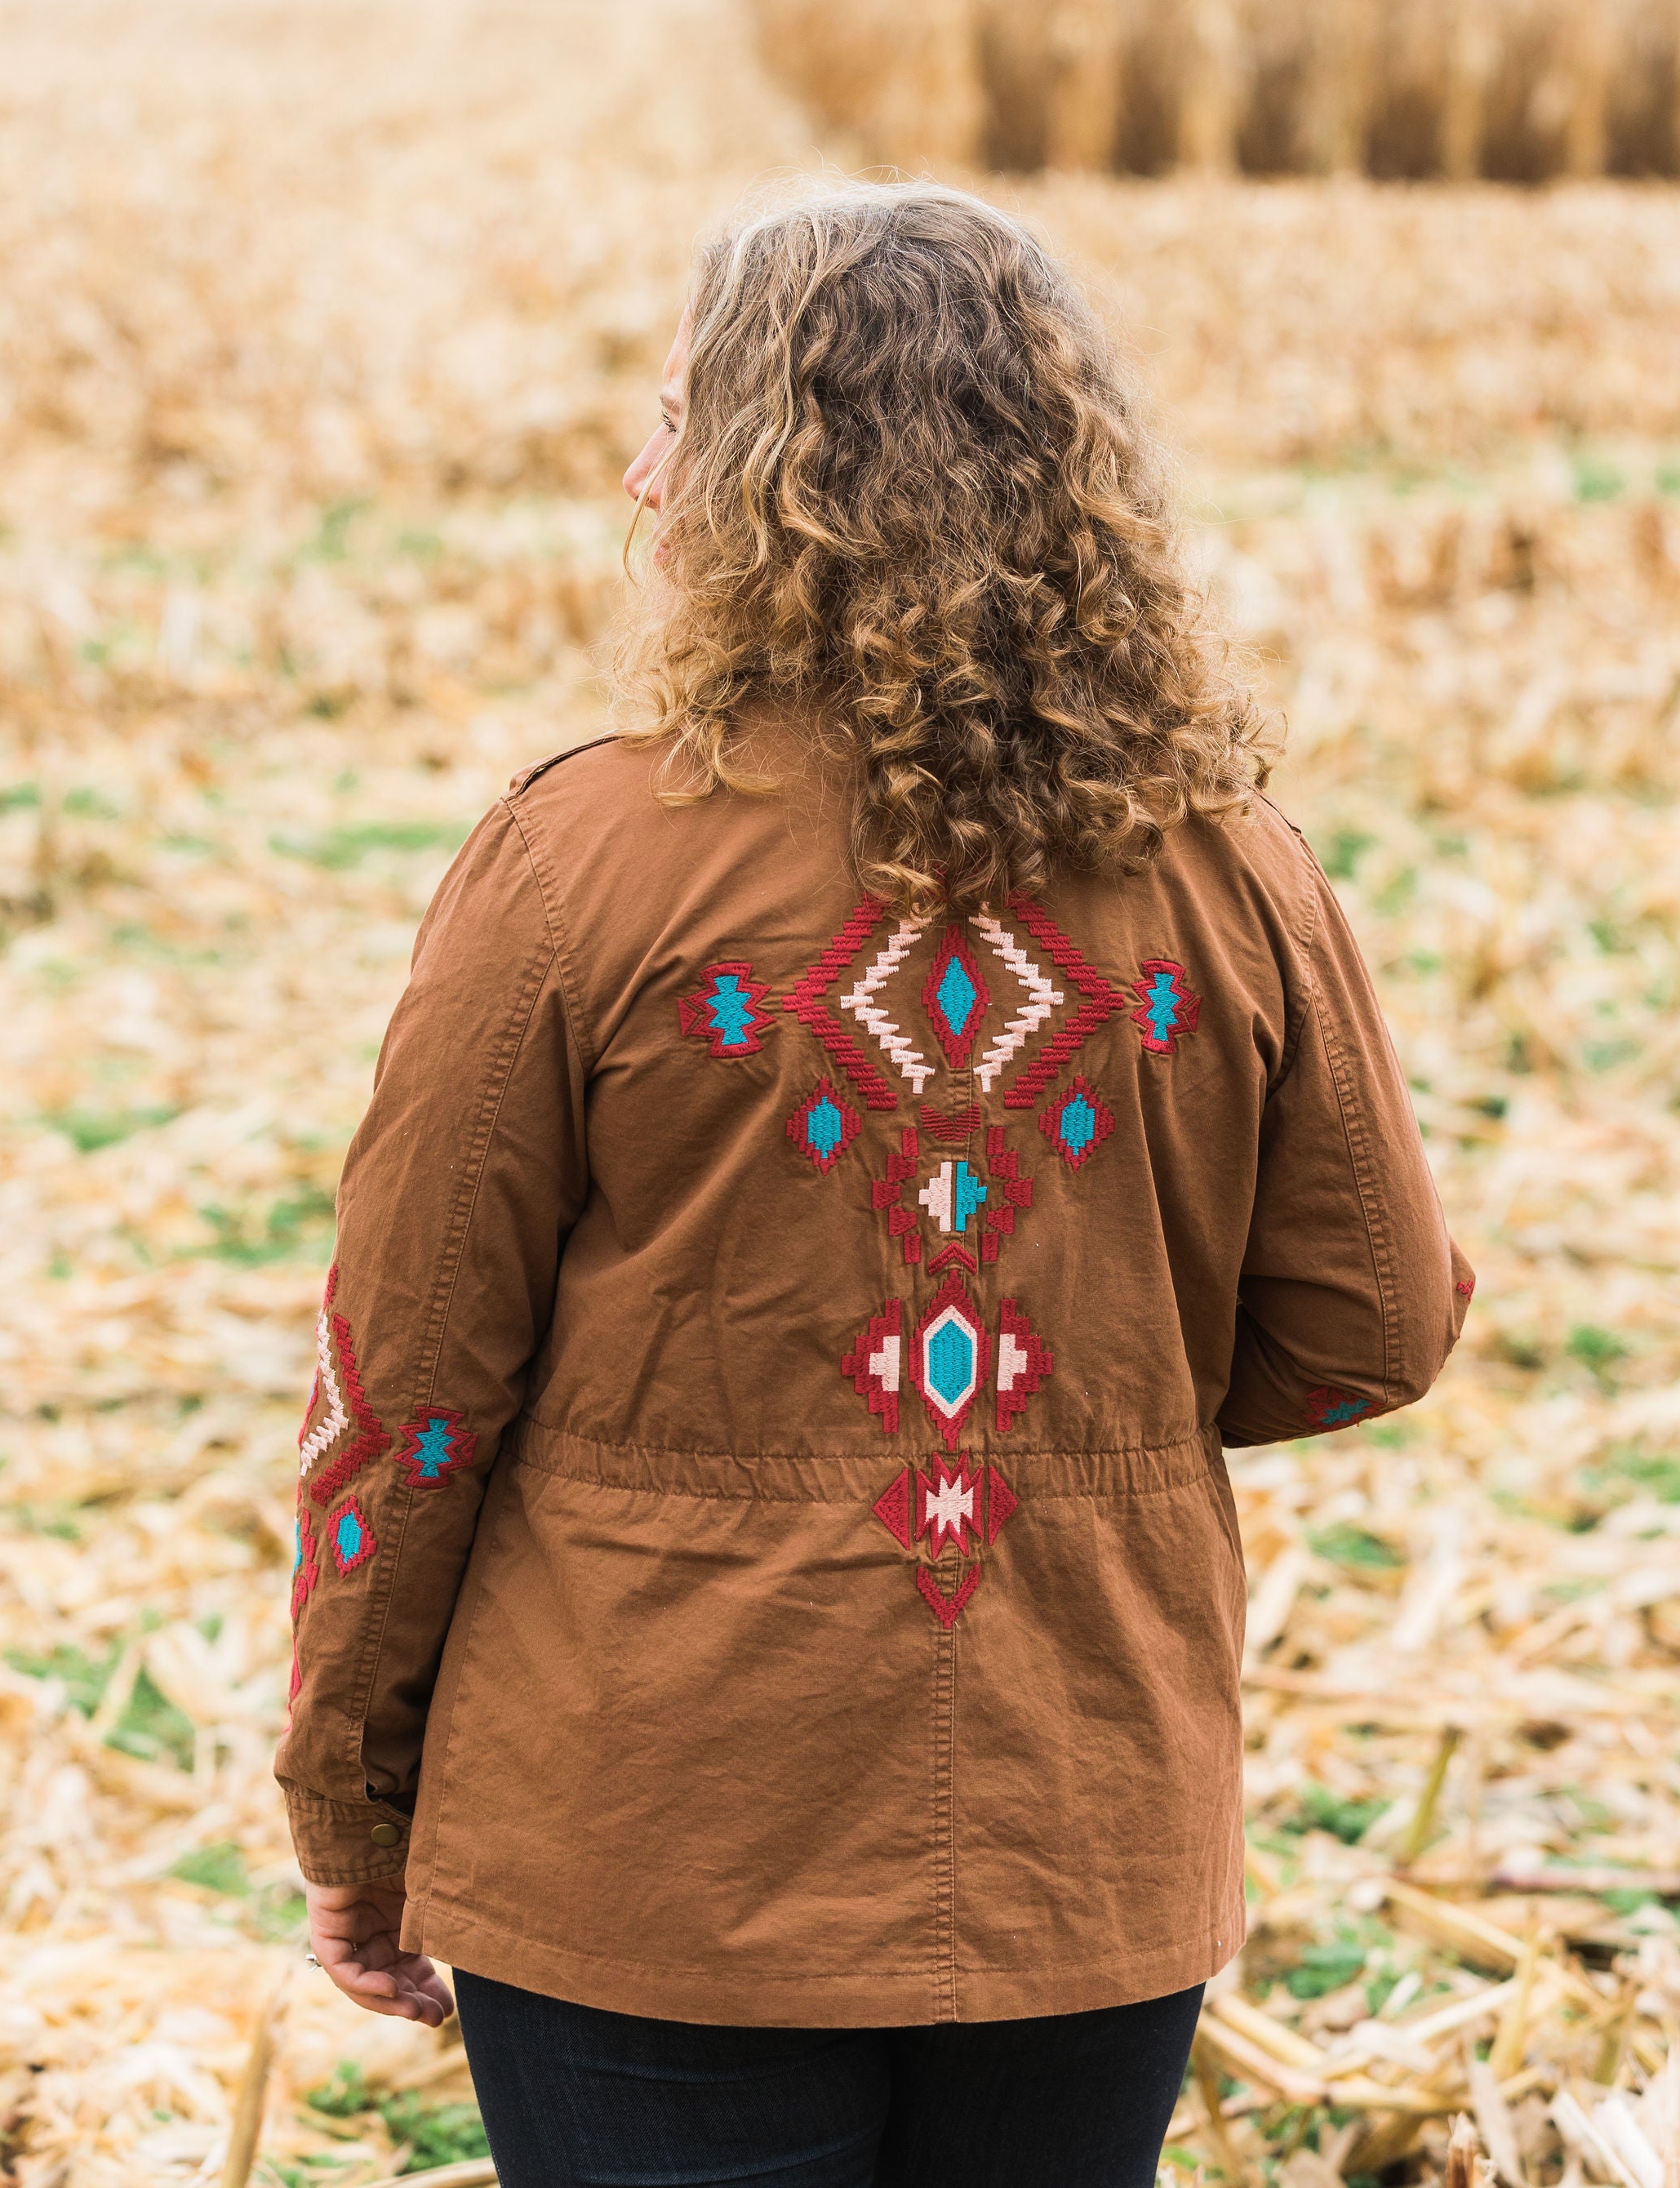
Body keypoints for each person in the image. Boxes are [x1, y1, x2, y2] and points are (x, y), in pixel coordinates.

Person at [278, 188, 1471, 2188]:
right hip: (1085, 1826)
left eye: (675, 416)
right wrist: (1079, 1415)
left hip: (648, 1836)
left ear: (761, 478)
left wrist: (353, 1802)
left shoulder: (576, 861)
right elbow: (1369, 1333)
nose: (639, 468)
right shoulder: (1231, 863)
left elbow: (407, 1396)